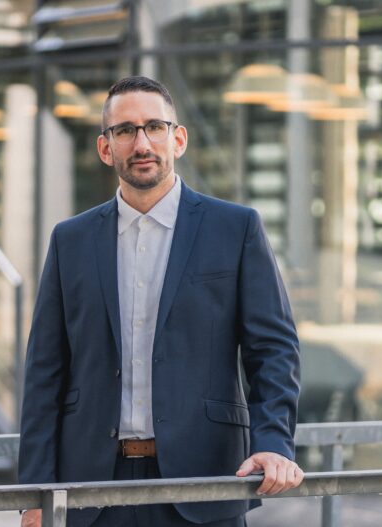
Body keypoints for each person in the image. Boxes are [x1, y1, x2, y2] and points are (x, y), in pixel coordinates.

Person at [18, 76, 302, 527]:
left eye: (154, 127)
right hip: (91, 487)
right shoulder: (70, 240)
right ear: (106, 148)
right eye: (125, 131)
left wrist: (273, 443)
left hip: (206, 479)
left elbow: (273, 351)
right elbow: (44, 371)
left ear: (178, 138)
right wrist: (34, 493)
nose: (142, 142)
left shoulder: (236, 228)